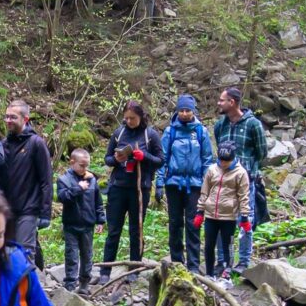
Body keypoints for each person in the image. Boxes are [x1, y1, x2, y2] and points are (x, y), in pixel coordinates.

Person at [99, 100, 163, 281]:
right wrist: (116, 159)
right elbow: (107, 158)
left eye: (132, 118)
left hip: (140, 189)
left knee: (136, 231)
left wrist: (145, 156)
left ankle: (134, 270)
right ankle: (105, 271)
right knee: (113, 231)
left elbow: (160, 160)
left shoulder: (150, 135)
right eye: (126, 118)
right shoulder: (119, 133)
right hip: (118, 187)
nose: (129, 121)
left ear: (140, 117)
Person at [212, 86, 268, 273]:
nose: (219, 103)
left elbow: (262, 152)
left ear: (232, 102)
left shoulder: (253, 124)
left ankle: (243, 262)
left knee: (245, 221)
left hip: (245, 182)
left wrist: (248, 168)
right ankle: (223, 261)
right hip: (223, 182)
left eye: (222, 100)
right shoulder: (220, 125)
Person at [155, 93, 213, 271]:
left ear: (193, 111)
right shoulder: (170, 131)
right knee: (175, 224)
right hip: (173, 183)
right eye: (182, 110)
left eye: (188, 110)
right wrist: (159, 183)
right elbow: (162, 158)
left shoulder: (201, 131)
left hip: (195, 185)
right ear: (177, 111)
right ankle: (177, 262)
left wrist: (206, 186)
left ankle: (194, 265)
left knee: (193, 224)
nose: (185, 113)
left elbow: (207, 160)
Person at [0, 100, 53, 268]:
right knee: (7, 254)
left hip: (28, 208)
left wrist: (45, 213)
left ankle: (30, 283)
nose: (8, 120)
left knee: (25, 254)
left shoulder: (36, 143)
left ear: (25, 119)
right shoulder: (4, 145)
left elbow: (46, 180)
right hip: (7, 209)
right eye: (7, 117)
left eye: (13, 117)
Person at [192, 142, 251, 279]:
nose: (223, 163)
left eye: (226, 161)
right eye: (221, 160)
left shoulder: (240, 173)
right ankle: (209, 274)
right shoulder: (212, 169)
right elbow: (204, 192)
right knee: (209, 245)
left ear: (233, 159)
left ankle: (227, 273)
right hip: (211, 214)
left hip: (229, 216)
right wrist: (200, 211)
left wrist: (244, 216)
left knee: (227, 246)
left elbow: (244, 196)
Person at [56, 148, 104, 293]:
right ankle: (70, 284)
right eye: (82, 165)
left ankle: (84, 283)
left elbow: (98, 202)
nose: (85, 168)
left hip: (88, 224)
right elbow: (63, 197)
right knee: (71, 255)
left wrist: (100, 220)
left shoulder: (92, 179)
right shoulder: (64, 180)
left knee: (87, 255)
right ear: (72, 162)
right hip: (71, 224)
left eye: (87, 165)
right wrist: (78, 188)